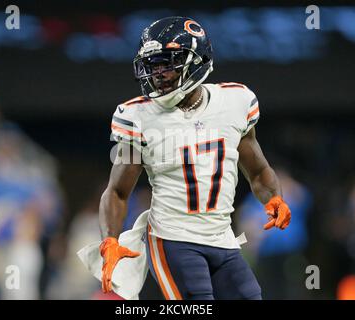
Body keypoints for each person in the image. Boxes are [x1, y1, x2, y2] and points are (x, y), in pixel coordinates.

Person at [98, 16, 291, 300]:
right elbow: (117, 191)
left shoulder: (235, 103)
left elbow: (258, 170)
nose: (158, 73)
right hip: (172, 238)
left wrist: (274, 197)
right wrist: (109, 241)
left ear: (198, 59)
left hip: (222, 237)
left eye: (167, 62)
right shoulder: (137, 118)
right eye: (153, 65)